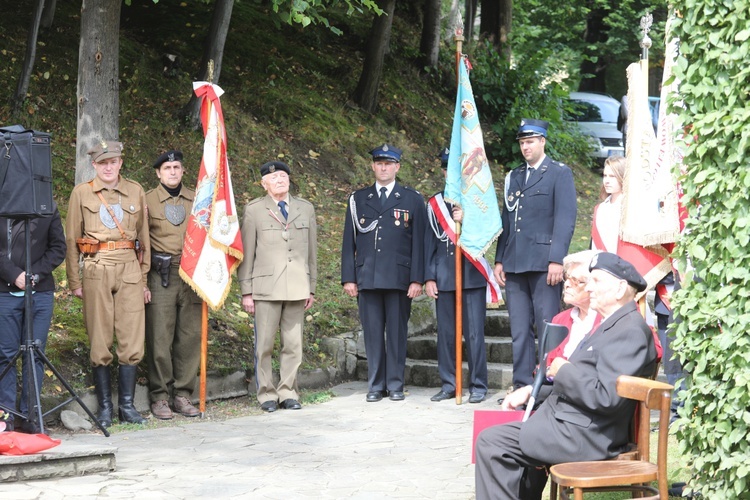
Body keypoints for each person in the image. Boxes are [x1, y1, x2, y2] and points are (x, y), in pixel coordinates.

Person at [475, 252, 657, 499]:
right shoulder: (612, 325)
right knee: (501, 440)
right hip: (570, 425)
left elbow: (606, 398)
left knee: (492, 441)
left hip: (586, 436)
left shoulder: (630, 331)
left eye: (596, 281)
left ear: (620, 289)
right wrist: (534, 392)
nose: (589, 288)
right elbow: (587, 384)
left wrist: (564, 370)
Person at [65, 140, 150, 426]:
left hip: (129, 268)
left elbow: (145, 240)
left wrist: (144, 279)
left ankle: (126, 406)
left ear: (120, 163)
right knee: (100, 338)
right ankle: (104, 408)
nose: (109, 167)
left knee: (131, 337)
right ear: (94, 165)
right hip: (97, 268)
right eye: (103, 163)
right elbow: (71, 239)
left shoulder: (136, 191)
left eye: (113, 161)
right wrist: (74, 280)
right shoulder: (82, 193)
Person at [493, 119, 577, 392]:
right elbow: (507, 220)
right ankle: (522, 386)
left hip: (544, 265)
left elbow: (565, 219)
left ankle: (547, 386)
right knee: (519, 331)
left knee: (547, 328)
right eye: (521, 142)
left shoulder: (558, 173)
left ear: (543, 141)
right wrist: (499, 258)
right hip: (515, 263)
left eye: (530, 141)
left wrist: (556, 259)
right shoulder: (514, 176)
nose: (525, 146)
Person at [341, 144, 426, 402]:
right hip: (367, 277)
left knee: (397, 334)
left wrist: (417, 278)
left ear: (397, 167)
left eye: (388, 163)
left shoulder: (412, 199)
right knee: (373, 333)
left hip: (400, 279)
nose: (384, 167)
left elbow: (419, 244)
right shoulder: (358, 199)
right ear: (373, 166)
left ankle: (396, 384)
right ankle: (376, 385)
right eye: (379, 163)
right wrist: (349, 277)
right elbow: (349, 242)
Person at [238, 161, 317, 413]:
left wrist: (311, 287)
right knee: (265, 345)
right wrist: (246, 291)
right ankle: (266, 394)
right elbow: (247, 252)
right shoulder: (254, 210)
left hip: (296, 286)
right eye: (274, 178)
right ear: (264, 184)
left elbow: (312, 252)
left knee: (293, 345)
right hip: (265, 288)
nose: (280, 180)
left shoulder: (305, 209)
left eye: (284, 175)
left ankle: (288, 392)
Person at [425, 148, 488, 404]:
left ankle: (478, 385)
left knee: (474, 334)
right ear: (443, 172)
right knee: (446, 334)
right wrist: (429, 277)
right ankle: (449, 383)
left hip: (471, 276)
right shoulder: (434, 204)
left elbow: (488, 233)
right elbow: (427, 243)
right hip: (444, 277)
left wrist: (468, 219)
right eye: (446, 169)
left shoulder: (478, 201)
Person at [144, 150, 201, 420]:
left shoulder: (198, 199)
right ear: (158, 173)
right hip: (161, 275)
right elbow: (141, 243)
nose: (173, 171)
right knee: (159, 338)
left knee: (189, 338)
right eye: (167, 167)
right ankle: (159, 397)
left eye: (177, 166)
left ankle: (183, 394)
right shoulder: (147, 201)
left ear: (183, 170)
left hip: (192, 275)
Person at [0, 206, 66, 433]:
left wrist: (33, 275)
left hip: (40, 292)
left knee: (35, 354)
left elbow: (58, 248)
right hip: (4, 292)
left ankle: (30, 416)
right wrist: (13, 274)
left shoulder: (46, 206)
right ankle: (6, 418)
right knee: (5, 355)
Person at [544, 250, 602, 369]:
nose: (566, 285)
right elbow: (547, 364)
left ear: (593, 285)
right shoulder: (560, 319)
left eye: (575, 280)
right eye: (567, 278)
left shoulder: (609, 319)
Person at [591, 155, 625, 253]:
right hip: (600, 263)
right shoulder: (600, 208)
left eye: (612, 176)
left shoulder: (631, 209)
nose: (607, 181)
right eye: (605, 176)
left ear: (623, 177)